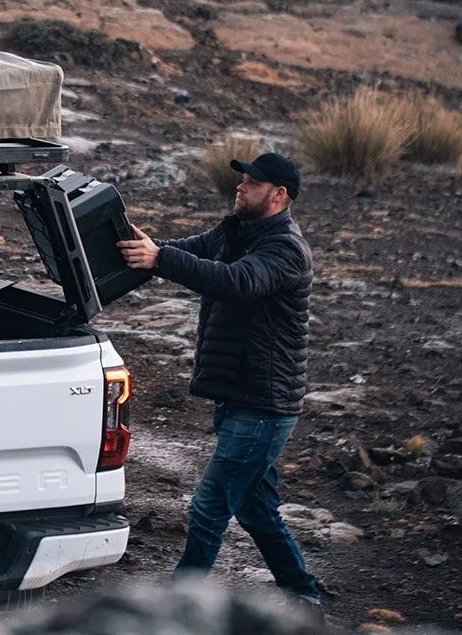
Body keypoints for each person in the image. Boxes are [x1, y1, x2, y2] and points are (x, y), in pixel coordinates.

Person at [117, 152, 323, 619]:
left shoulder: (287, 249)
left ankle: (174, 610)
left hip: (265, 407)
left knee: (209, 507)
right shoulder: (236, 231)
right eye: (242, 179)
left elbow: (236, 281)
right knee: (256, 510)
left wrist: (161, 259)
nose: (241, 187)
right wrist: (142, 246)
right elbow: (189, 250)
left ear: (279, 195)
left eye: (252, 182)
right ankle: (303, 596)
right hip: (240, 399)